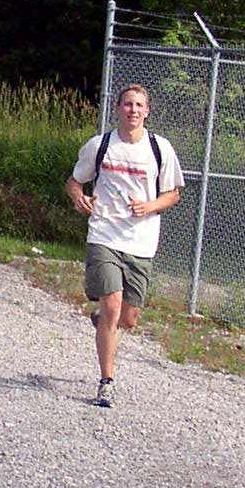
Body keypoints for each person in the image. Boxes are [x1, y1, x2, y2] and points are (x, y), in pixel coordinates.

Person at [65, 83, 184, 408]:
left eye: (139, 105)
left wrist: (150, 206)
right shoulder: (100, 145)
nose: (133, 110)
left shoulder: (160, 149)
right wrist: (80, 198)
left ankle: (104, 321)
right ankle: (106, 382)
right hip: (104, 235)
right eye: (127, 104)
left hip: (141, 242)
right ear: (117, 108)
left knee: (127, 318)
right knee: (113, 306)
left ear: (147, 111)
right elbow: (75, 181)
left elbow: (173, 194)